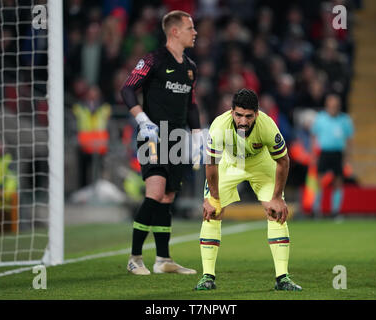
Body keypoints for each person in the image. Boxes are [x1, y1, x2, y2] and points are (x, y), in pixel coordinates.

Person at [195, 88, 302, 291]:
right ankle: (207, 277)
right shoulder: (219, 127)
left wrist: (278, 197)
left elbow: (283, 161)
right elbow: (210, 164)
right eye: (239, 115)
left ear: (257, 114)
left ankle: (283, 278)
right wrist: (213, 198)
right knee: (213, 211)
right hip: (229, 163)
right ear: (231, 112)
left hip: (261, 164)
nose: (243, 121)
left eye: (248, 116)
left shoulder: (268, 126)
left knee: (276, 211)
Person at [121, 10, 201, 275]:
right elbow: (127, 88)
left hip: (177, 138)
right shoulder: (153, 59)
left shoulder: (190, 67)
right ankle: (134, 258)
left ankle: (163, 260)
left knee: (167, 197)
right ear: (175, 31)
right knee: (155, 193)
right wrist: (141, 119)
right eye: (190, 28)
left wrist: (198, 134)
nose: (195, 32)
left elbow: (191, 104)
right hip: (153, 135)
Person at [310, 94, 354, 218]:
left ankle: (336, 211)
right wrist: (313, 155)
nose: (333, 107)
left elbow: (349, 140)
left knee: (338, 182)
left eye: (335, 105)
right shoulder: (320, 118)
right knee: (319, 181)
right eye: (331, 105)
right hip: (324, 153)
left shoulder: (345, 119)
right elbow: (313, 137)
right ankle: (316, 209)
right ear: (327, 105)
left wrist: (348, 157)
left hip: (338, 154)